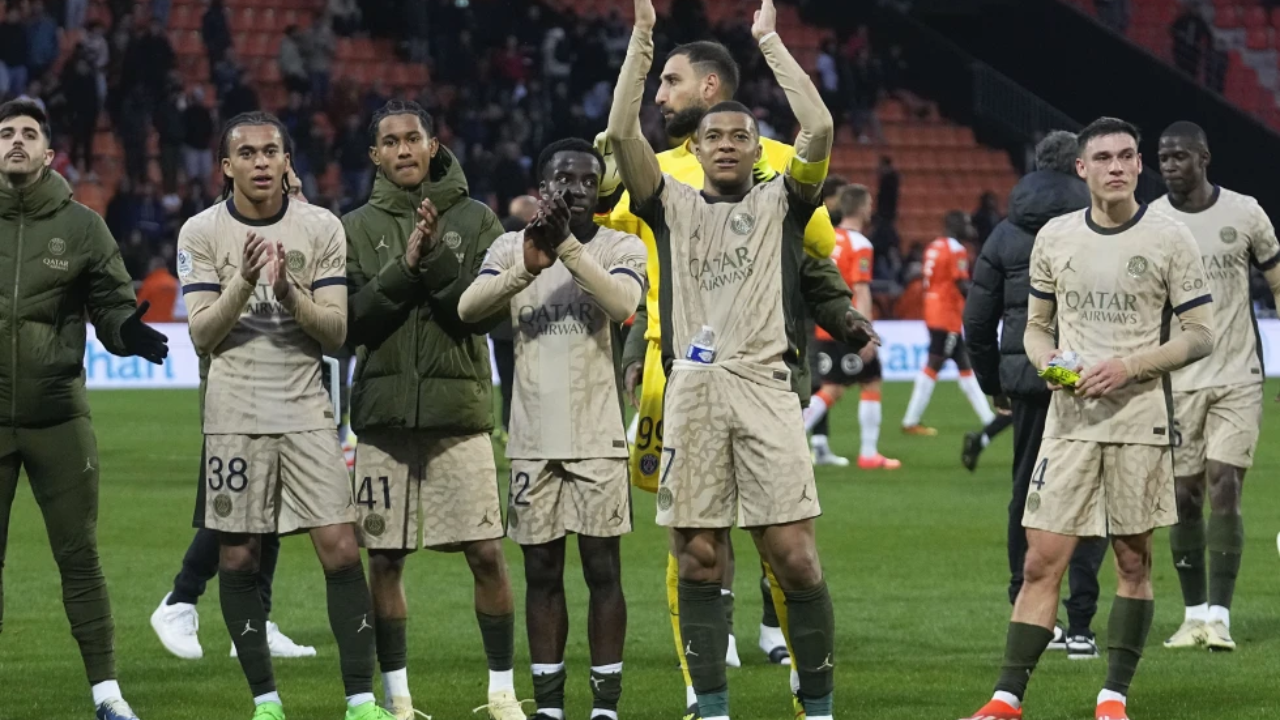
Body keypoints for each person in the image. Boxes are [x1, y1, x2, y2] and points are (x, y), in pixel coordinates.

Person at [598, 12, 869, 717]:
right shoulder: (666, 202)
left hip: (764, 386)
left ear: (756, 152)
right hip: (690, 391)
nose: (725, 145)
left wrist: (770, 43)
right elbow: (624, 132)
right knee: (698, 556)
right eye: (713, 135)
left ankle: (818, 704)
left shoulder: (785, 200)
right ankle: (712, 705)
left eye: (739, 137)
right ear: (698, 144)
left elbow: (819, 128)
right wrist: (644, 39)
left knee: (795, 556)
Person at [960, 117, 1215, 720]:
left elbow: (1201, 334)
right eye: (1103, 158)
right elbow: (1036, 327)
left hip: (1139, 422)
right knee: (1039, 560)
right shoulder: (1054, 237)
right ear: (1082, 168)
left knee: (1132, 560)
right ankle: (1006, 698)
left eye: (1128, 156)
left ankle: (1113, 697)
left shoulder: (1170, 237)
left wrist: (1130, 366)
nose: (1118, 167)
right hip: (1069, 420)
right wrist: (1048, 363)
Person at [177, 111, 390, 720]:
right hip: (233, 416)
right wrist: (243, 282)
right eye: (247, 153)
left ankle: (360, 701)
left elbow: (335, 332)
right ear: (227, 167)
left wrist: (289, 290)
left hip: (304, 411)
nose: (261, 162)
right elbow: (200, 336)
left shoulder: (319, 227)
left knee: (342, 549)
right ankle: (266, 702)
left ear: (287, 161)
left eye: (272, 151)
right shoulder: (200, 233)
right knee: (238, 556)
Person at [343, 100, 518, 720]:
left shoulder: (477, 220)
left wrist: (436, 255)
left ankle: (500, 694)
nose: (402, 150)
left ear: (434, 143)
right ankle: (398, 701)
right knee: (384, 558)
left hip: (460, 417)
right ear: (375, 156)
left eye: (412, 138)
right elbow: (349, 326)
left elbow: (489, 314)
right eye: (389, 142)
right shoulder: (355, 226)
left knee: (486, 554)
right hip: (384, 420)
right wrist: (404, 266)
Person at [459, 138, 646, 720]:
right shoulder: (509, 246)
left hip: (597, 438)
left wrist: (564, 244)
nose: (576, 189)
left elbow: (620, 305)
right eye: (564, 179)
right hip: (532, 438)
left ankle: (605, 706)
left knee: (601, 569)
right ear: (543, 188)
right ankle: (550, 706)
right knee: (540, 571)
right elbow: (469, 309)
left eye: (588, 180)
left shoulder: (622, 246)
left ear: (601, 188)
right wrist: (526, 265)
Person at [0, 98, 168, 720]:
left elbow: (111, 304)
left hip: (58, 419)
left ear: (49, 152)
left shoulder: (82, 226)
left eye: (29, 134)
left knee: (79, 557)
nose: (16, 141)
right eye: (6, 133)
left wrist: (127, 330)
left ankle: (107, 695)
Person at [963, 130, 1108, 660]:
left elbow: (976, 322)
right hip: (1090, 377)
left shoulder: (1004, 234)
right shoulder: (1101, 225)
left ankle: (1026, 609)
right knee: (1093, 495)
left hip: (1027, 379)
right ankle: (1082, 625)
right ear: (1079, 166)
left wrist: (992, 383)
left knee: (1028, 491)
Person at [1152, 121, 1280, 652]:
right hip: (1178, 381)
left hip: (1237, 374)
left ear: (1204, 156)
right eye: (1161, 157)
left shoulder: (1245, 212)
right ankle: (1194, 615)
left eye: (1179, 155)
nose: (1169, 165)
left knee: (1225, 482)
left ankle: (1221, 619)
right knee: (1184, 496)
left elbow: (1276, 282)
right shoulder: (1152, 221)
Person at [803, 184, 898, 469]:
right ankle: (868, 453)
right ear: (862, 208)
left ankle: (789, 440)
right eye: (869, 204)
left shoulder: (827, 237)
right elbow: (861, 289)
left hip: (823, 324)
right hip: (848, 325)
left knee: (832, 387)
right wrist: (866, 333)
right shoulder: (861, 244)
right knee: (869, 382)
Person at [901, 211, 1000, 435]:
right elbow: (962, 284)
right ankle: (910, 421)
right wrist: (985, 305)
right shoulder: (956, 250)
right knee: (933, 365)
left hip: (933, 310)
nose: (970, 227)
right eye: (966, 223)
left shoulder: (934, 246)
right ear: (956, 225)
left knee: (964, 366)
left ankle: (988, 419)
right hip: (947, 315)